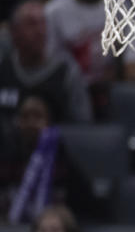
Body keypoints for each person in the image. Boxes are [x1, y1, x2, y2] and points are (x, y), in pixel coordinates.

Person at [0, 0, 92, 135]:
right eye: (31, 24)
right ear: (14, 32)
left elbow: (83, 128)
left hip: (55, 152)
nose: (40, 31)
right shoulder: (3, 68)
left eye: (42, 23)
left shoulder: (66, 71)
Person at [0, 96, 97, 224]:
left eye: (38, 117)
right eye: (25, 117)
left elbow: (87, 208)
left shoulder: (63, 162)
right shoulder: (6, 157)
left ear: (49, 123)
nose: (31, 123)